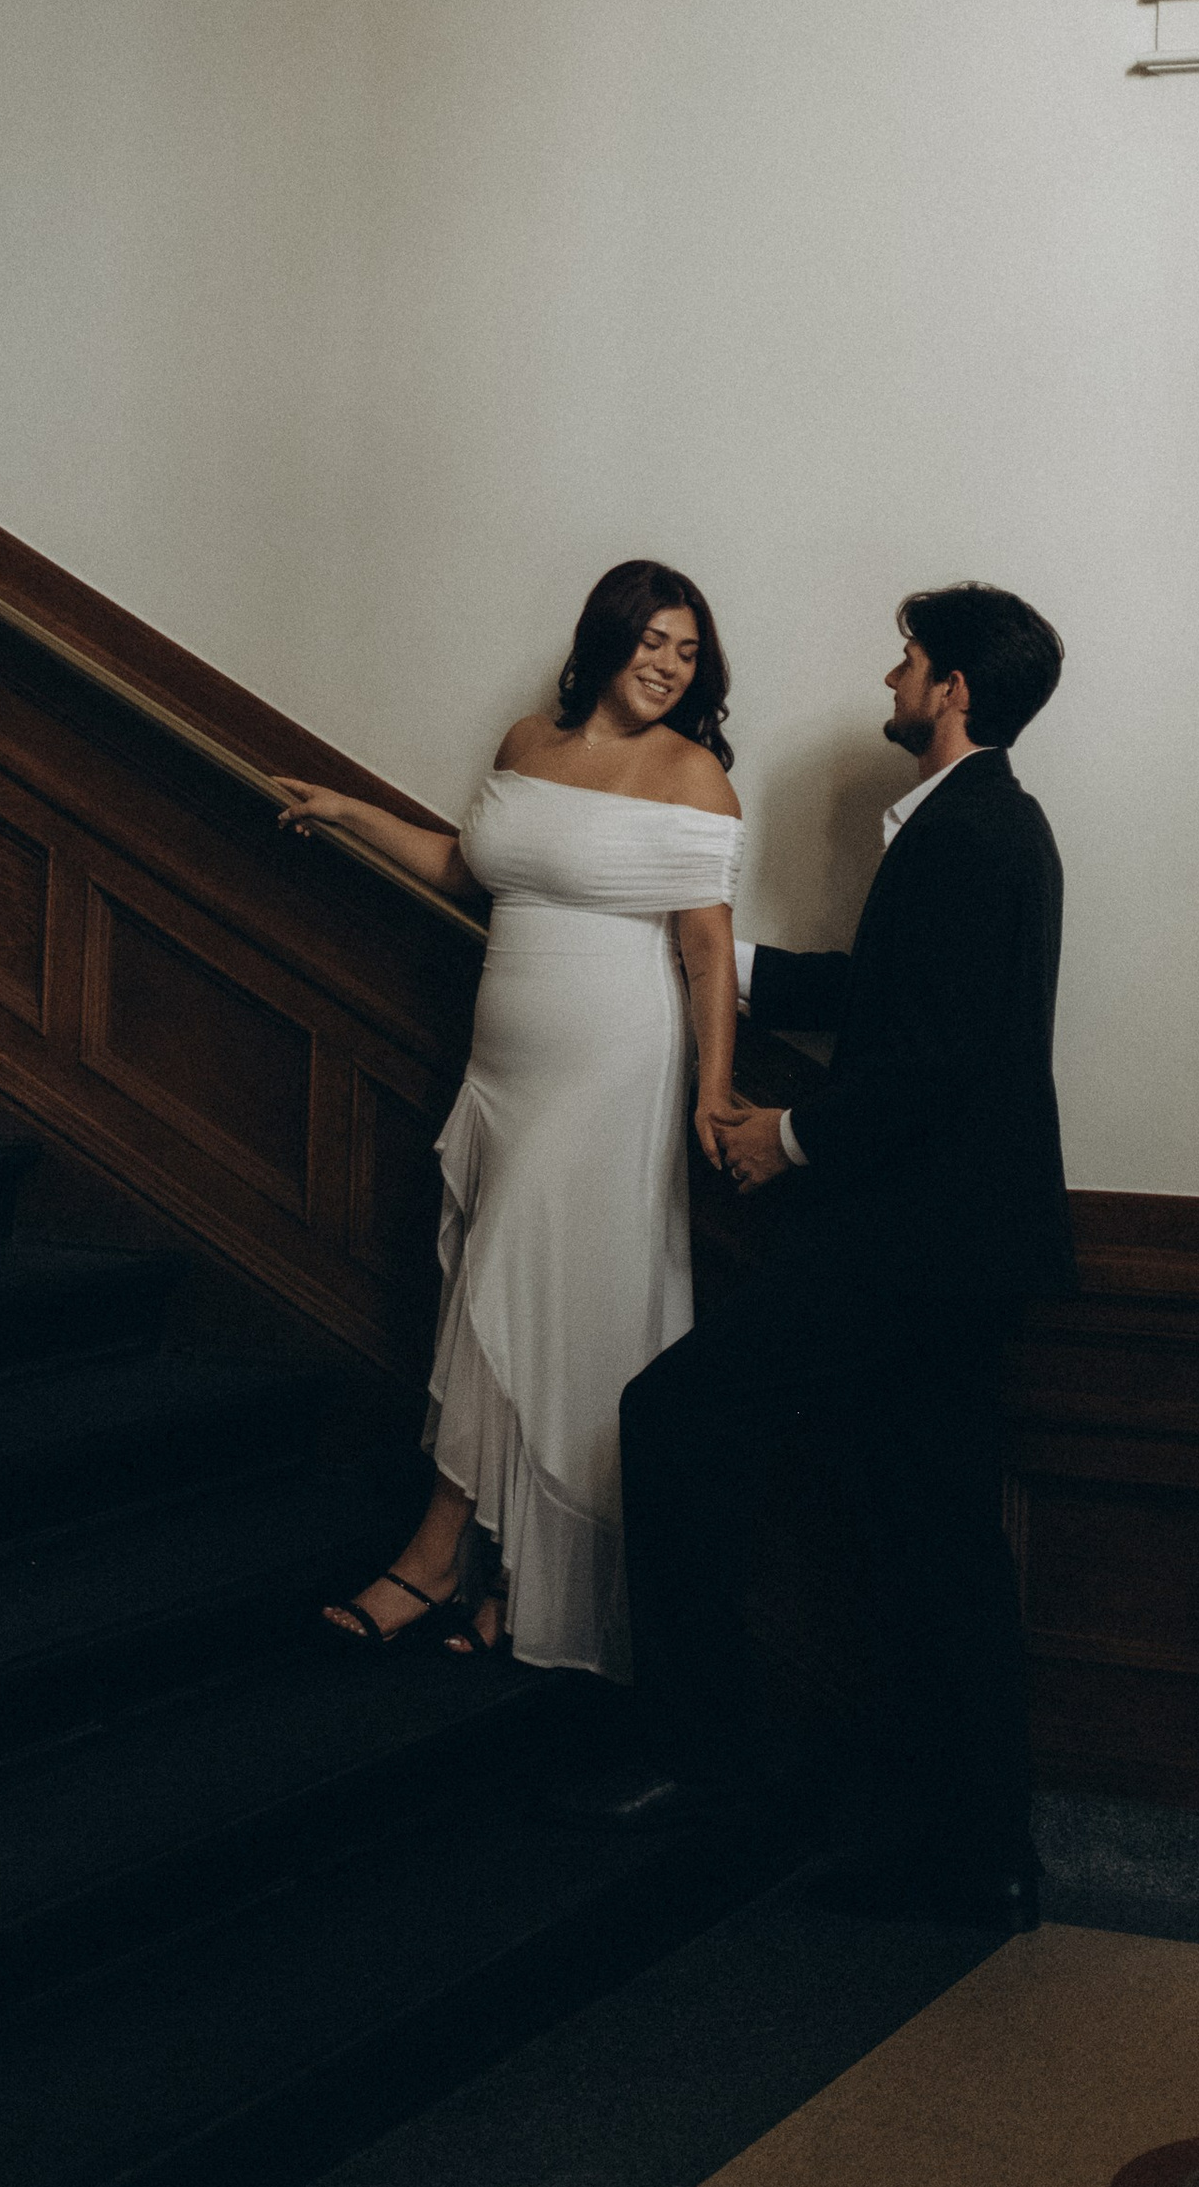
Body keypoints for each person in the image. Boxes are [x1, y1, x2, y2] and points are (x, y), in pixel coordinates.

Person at [610, 581, 1073, 1925]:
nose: (891, 678)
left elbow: (936, 1059)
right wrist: (720, 953)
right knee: (937, 1543)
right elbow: (892, 995)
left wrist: (786, 1138)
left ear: (956, 692)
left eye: (910, 660)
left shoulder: (971, 833)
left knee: (672, 1417)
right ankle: (978, 1852)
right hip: (957, 1248)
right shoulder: (985, 825)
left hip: (910, 1246)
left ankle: (711, 1770)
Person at [274, 560, 741, 1673]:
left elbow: (709, 947)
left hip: (611, 1069)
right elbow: (460, 864)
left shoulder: (695, 777)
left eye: (687, 650)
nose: (668, 667)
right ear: (606, 637)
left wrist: (710, 1091)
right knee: (511, 1294)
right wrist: (345, 810)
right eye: (652, 643)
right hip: (501, 1072)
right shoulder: (527, 741)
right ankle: (508, 1583)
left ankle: (434, 1559)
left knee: (510, 1288)